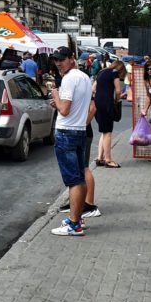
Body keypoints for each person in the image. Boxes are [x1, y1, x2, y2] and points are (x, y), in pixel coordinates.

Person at [48, 47, 94, 236]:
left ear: (71, 59)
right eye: (56, 60)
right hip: (80, 131)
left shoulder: (68, 79)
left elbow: (64, 110)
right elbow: (81, 106)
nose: (58, 63)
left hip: (66, 132)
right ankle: (78, 218)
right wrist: (59, 103)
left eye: (62, 59)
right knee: (79, 177)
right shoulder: (84, 77)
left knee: (73, 180)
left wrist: (56, 96)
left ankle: (74, 224)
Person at [93, 60, 125, 168]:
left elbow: (93, 89)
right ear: (120, 68)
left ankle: (99, 158)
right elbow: (118, 91)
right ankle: (108, 160)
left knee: (104, 131)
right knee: (108, 133)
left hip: (97, 103)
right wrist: (117, 100)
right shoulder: (114, 73)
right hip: (107, 103)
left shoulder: (101, 72)